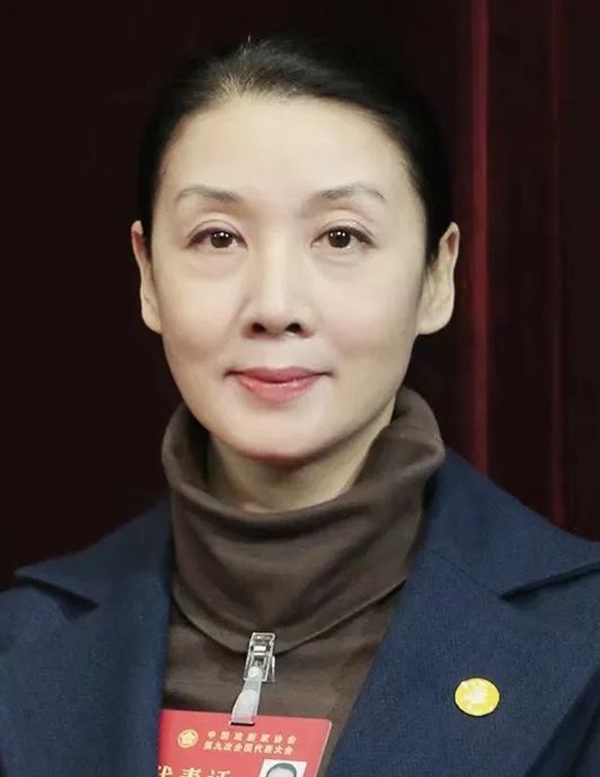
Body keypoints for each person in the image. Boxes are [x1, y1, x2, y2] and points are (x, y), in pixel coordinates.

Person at [1, 30, 599, 777]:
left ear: (437, 277)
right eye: (218, 238)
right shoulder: (22, 647)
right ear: (148, 276)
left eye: (341, 236)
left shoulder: (582, 640)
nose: (275, 306)